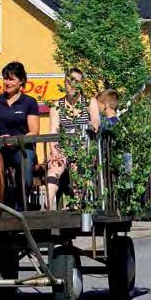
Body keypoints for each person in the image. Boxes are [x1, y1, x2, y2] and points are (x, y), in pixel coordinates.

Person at [0, 62, 41, 210]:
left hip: (22, 148)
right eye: (5, 79)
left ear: (21, 81)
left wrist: (15, 141)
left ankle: (20, 206)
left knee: (26, 175)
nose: (7, 82)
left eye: (11, 79)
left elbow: (34, 131)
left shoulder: (30, 102)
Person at [45, 69, 101, 210]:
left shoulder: (89, 102)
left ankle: (76, 204)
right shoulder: (57, 106)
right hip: (64, 149)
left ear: (82, 84)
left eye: (76, 82)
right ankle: (46, 206)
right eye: (69, 82)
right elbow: (53, 131)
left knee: (78, 166)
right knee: (53, 169)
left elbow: (96, 122)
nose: (72, 85)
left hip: (84, 149)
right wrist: (54, 152)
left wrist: (89, 127)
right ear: (65, 83)